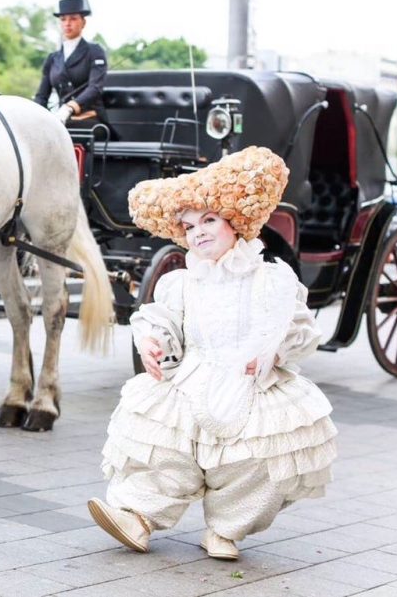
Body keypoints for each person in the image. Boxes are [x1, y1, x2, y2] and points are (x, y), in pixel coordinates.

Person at [88, 146, 336, 561]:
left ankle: (225, 528)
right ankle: (138, 516)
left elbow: (296, 328)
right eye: (188, 227)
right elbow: (164, 320)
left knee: (255, 459)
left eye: (208, 220)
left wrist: (273, 354)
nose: (198, 232)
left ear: (234, 223)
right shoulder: (182, 282)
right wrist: (152, 340)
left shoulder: (270, 279)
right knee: (167, 449)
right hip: (193, 375)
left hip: (252, 380)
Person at [33, 0, 113, 138]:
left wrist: (70, 107)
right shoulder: (52, 58)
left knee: (56, 131)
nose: (67, 24)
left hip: (91, 118)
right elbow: (42, 95)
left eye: (73, 19)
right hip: (61, 119)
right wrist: (33, 115)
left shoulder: (94, 51)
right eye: (63, 19)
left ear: (83, 22)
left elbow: (95, 88)